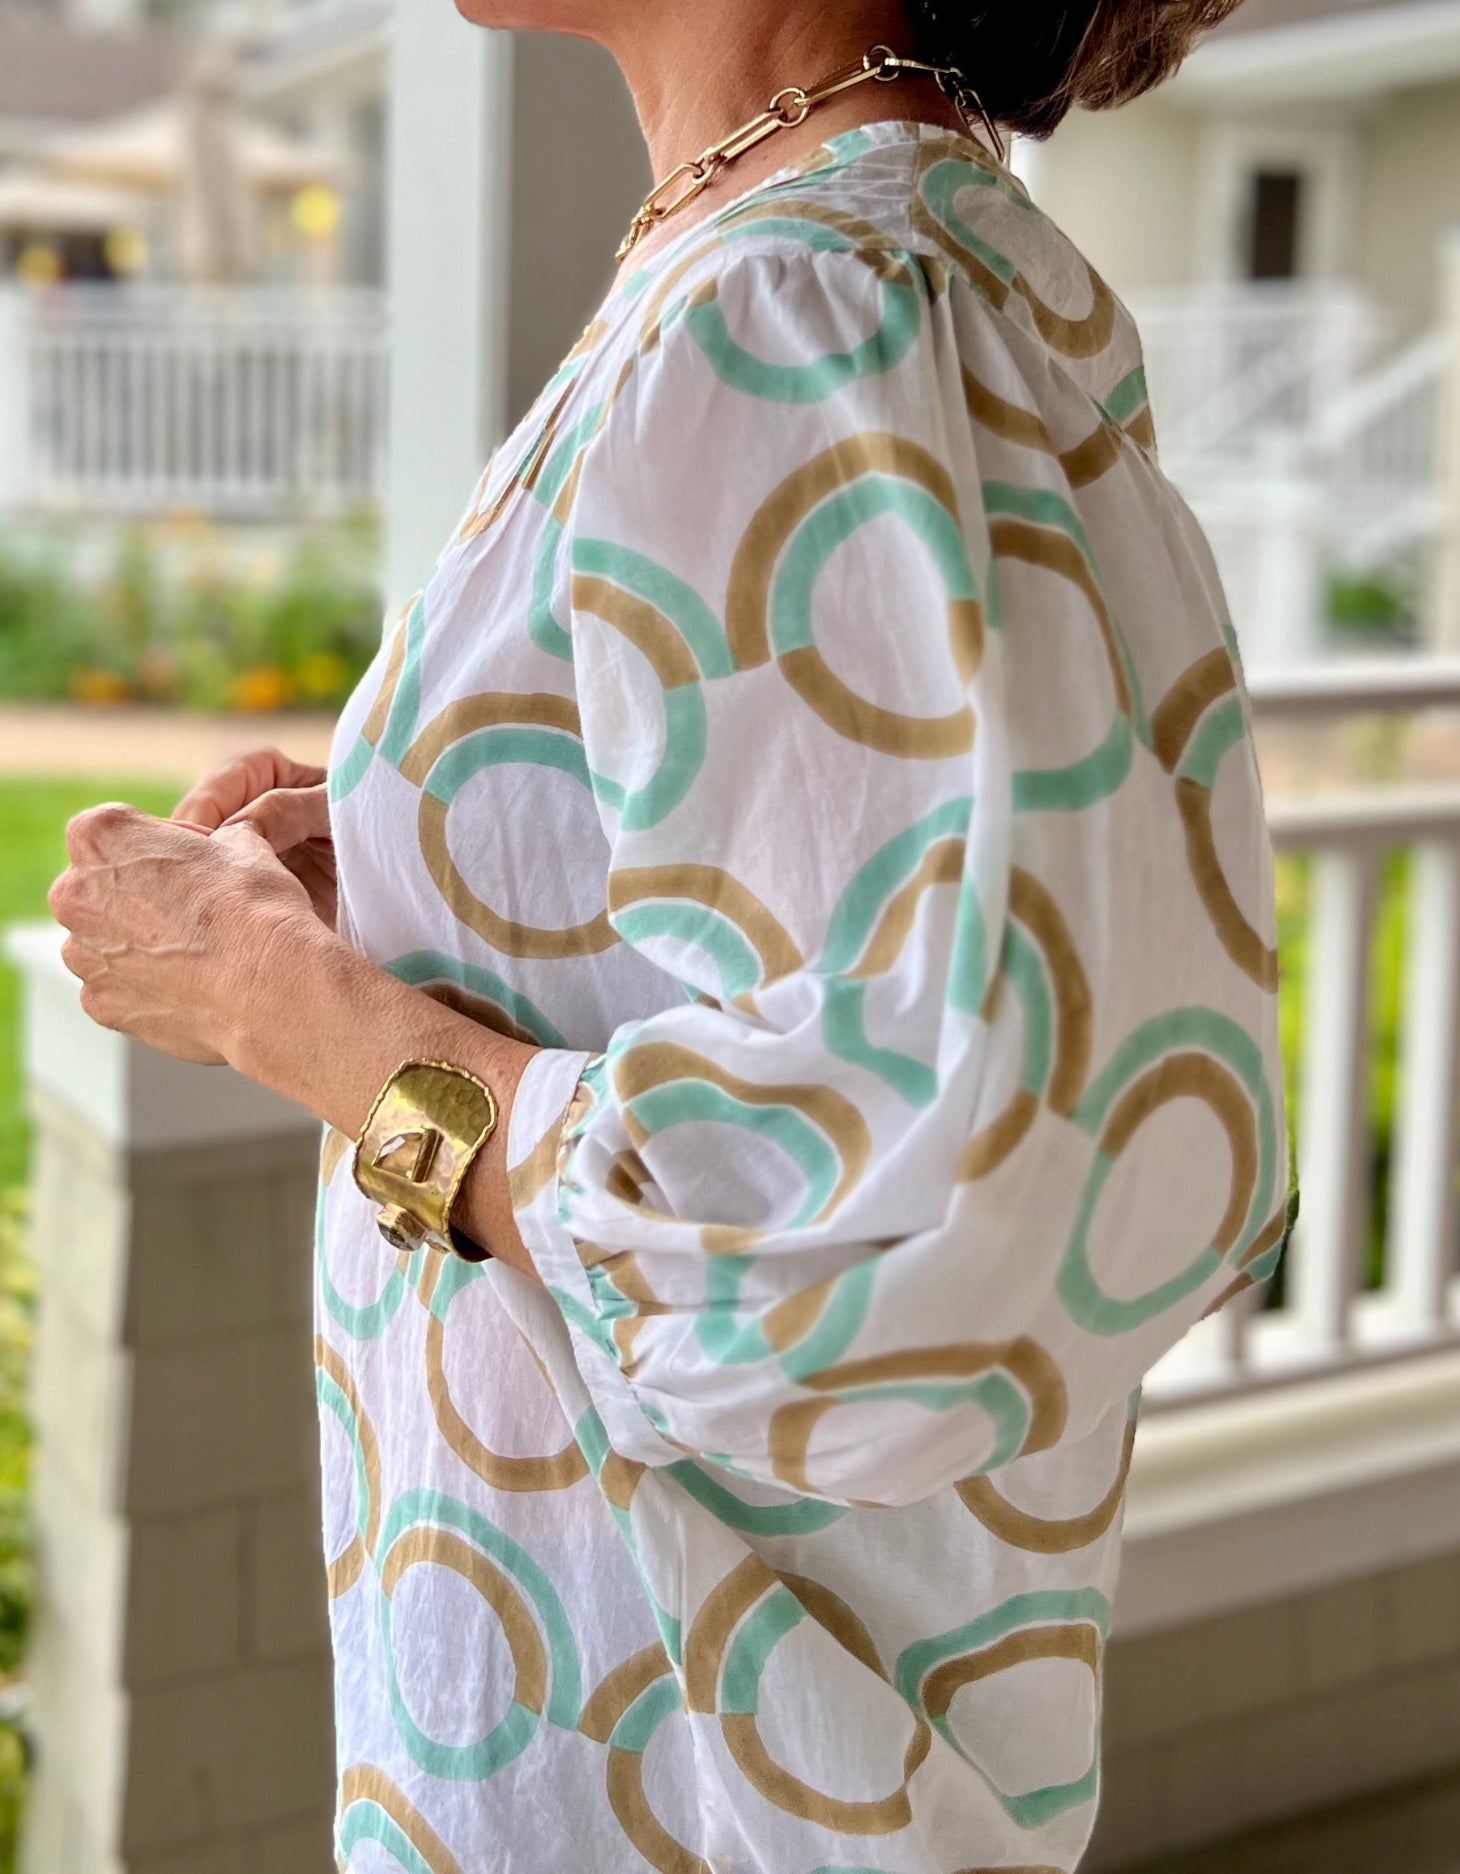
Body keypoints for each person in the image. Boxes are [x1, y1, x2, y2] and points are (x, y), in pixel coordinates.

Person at [48, 1, 1292, 1868]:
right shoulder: (848, 259)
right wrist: (430, 848)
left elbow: (923, 1196)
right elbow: (850, 941)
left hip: (703, 1772)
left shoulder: (795, 310)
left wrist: (289, 1010)